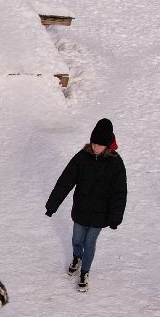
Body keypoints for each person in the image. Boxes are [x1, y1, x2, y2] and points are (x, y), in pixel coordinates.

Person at [45, 117, 127, 292]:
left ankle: (85, 271)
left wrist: (115, 217)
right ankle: (76, 257)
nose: (96, 147)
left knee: (89, 242)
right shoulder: (82, 157)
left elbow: (119, 193)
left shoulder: (115, 163)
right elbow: (65, 180)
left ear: (108, 145)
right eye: (93, 143)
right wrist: (52, 205)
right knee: (76, 239)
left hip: (100, 214)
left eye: (100, 144)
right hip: (81, 210)